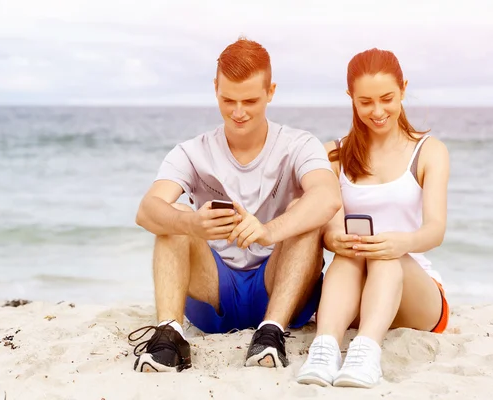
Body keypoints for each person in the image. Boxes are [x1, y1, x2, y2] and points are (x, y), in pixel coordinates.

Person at [129, 37, 341, 373]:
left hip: (280, 286)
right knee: (175, 215)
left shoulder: (299, 144)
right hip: (213, 294)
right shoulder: (192, 151)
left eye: (250, 100)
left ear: (271, 91)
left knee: (304, 211)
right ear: (215, 88)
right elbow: (147, 210)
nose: (238, 112)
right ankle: (169, 334)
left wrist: (268, 230)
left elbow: (328, 197)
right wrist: (192, 225)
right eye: (228, 100)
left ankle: (270, 333)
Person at [296, 48, 451, 388]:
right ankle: (325, 350)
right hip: (356, 288)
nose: (377, 111)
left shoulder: (429, 151)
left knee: (384, 255)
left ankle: (366, 353)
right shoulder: (333, 154)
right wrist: (333, 235)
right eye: (365, 101)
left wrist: (402, 242)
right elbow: (328, 220)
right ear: (351, 97)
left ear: (403, 90)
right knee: (349, 254)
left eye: (387, 98)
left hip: (416, 294)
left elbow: (435, 230)